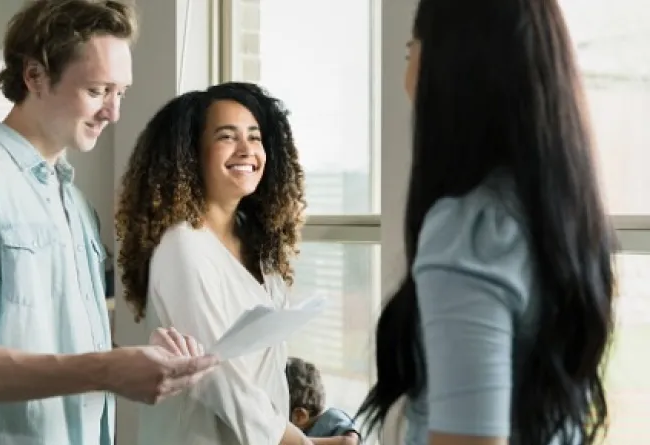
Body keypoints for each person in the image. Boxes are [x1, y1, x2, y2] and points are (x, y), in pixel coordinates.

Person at [0, 1, 217, 445]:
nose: (114, 113)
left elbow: (54, 349)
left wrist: (138, 362)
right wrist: (108, 369)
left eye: (120, 92)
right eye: (97, 90)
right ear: (34, 76)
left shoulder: (71, 200)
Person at [357, 1, 616, 445]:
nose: (406, 73)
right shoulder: (558, 221)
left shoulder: (468, 232)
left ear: (449, 65)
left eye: (410, 50)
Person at [115, 82, 315, 444]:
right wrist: (299, 442)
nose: (246, 150)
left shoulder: (258, 244)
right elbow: (215, 375)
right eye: (227, 136)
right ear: (193, 154)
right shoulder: (182, 247)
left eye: (254, 137)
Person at [285, 357, 360, 445]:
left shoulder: (330, 418)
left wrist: (294, 440)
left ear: (299, 416)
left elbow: (350, 442)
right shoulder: (305, 432)